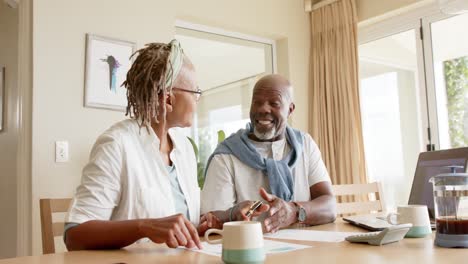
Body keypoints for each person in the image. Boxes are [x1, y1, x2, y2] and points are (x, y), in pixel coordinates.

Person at [65, 40, 204, 250]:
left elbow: (181, 225)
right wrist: (143, 227)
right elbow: (74, 235)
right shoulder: (116, 144)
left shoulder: (184, 147)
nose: (197, 100)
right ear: (168, 99)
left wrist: (220, 218)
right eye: (195, 92)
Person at [200, 74, 336, 233]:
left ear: (290, 109)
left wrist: (294, 212)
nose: (263, 109)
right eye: (257, 102)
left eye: (274, 103)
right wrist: (232, 214)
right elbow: (208, 220)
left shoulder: (305, 144)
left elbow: (329, 206)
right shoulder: (226, 156)